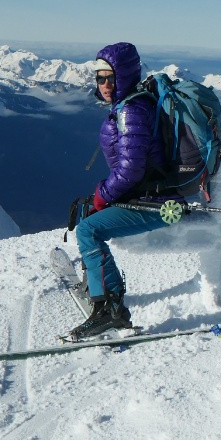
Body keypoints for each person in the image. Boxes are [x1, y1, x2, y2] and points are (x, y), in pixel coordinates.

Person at [68, 41, 177, 340]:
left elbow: (131, 170)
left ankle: (110, 310)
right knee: (87, 215)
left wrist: (102, 195)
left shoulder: (132, 110)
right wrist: (101, 196)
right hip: (147, 197)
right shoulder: (129, 105)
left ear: (125, 76)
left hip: (160, 203)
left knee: (89, 230)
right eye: (99, 77)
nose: (104, 84)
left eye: (110, 77)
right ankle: (98, 285)